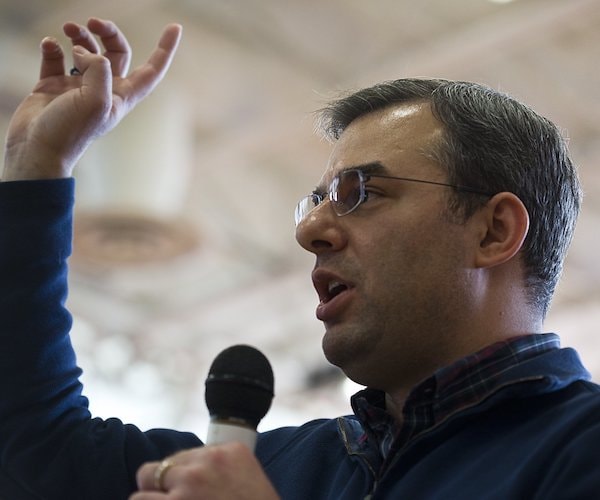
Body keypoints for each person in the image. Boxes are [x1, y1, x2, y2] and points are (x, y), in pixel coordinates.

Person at [0, 16, 598, 500]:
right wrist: (35, 169)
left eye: (359, 194)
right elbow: (33, 447)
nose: (311, 230)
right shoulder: (289, 466)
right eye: (315, 201)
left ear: (494, 231)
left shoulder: (578, 448)